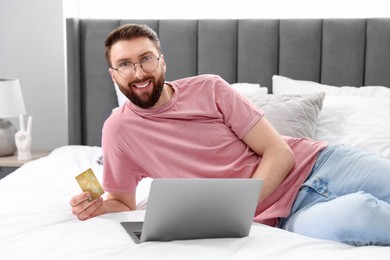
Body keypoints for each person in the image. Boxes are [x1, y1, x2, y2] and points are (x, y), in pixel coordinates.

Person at [70, 24, 390, 246]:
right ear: (114, 75)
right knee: (362, 216)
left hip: (322, 165)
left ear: (162, 60)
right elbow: (122, 203)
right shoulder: (118, 131)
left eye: (146, 59)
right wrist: (94, 208)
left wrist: (237, 209)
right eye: (125, 64)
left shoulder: (210, 88)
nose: (138, 72)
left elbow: (279, 153)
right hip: (285, 219)